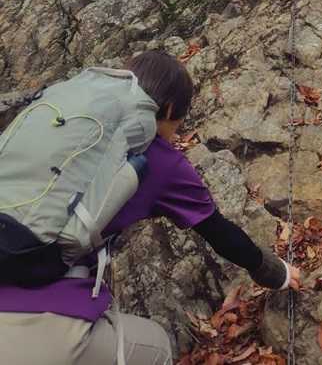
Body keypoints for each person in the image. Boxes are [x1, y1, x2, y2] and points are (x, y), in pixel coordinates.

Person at [0, 51, 300, 365]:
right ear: (169, 110)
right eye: (180, 118)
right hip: (27, 320)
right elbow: (219, 231)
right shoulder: (162, 162)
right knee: (155, 347)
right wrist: (275, 273)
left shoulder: (70, 129)